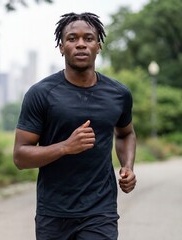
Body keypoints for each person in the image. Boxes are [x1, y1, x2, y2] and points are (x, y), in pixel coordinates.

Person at [13, 12, 137, 240]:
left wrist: (127, 166)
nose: (81, 44)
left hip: (100, 211)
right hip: (54, 213)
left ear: (98, 46)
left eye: (88, 38)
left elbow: (125, 133)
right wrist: (65, 147)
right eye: (72, 39)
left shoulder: (118, 94)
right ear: (61, 47)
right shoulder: (41, 94)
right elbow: (20, 157)